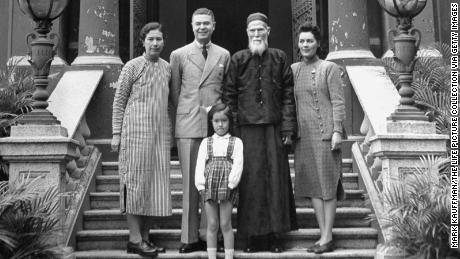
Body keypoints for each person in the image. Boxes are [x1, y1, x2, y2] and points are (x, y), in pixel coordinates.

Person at [222, 12, 297, 253]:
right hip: (246, 130)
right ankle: (252, 237)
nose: (256, 34)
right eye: (252, 30)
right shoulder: (238, 59)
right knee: (250, 182)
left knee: (276, 181)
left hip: (274, 128)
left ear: (268, 31)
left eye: (260, 30)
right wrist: (232, 130)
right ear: (247, 33)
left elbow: (287, 95)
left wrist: (287, 127)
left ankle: (275, 236)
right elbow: (230, 96)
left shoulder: (279, 57)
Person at [170, 7, 231, 253]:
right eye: (198, 24)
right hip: (188, 123)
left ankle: (209, 235)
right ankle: (188, 237)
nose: (202, 27)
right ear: (192, 26)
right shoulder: (179, 54)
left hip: (215, 126)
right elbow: (174, 92)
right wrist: (188, 111)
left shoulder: (224, 54)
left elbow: (226, 89)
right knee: (189, 186)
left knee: (213, 183)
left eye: (206, 23)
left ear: (214, 25)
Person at [111, 22, 172, 257]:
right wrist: (116, 133)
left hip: (159, 136)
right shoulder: (132, 67)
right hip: (134, 134)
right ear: (143, 42)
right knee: (135, 184)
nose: (155, 43)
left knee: (154, 186)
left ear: (163, 41)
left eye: (158, 39)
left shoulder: (166, 68)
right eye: (150, 39)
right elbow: (119, 102)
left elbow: (168, 102)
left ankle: (146, 238)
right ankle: (134, 239)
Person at [291, 22, 346, 254]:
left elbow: (338, 101)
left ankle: (327, 235)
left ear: (318, 43)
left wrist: (336, 131)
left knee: (327, 185)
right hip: (303, 136)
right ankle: (323, 234)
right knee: (313, 185)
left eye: (309, 41)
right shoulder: (293, 69)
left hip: (325, 134)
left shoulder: (329, 68)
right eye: (302, 41)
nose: (305, 45)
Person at [195, 103, 243, 259]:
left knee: (225, 224)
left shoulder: (236, 142)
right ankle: (212, 256)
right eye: (216, 121)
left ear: (230, 121)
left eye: (224, 120)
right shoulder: (206, 142)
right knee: (212, 224)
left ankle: (229, 256)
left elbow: (238, 165)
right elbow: (200, 165)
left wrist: (231, 184)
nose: (220, 124)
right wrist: (201, 185)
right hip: (209, 186)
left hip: (226, 187)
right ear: (211, 122)